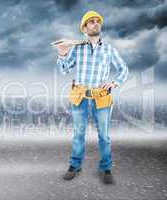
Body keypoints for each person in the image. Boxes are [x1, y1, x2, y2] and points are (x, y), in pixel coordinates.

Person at [55, 10, 129, 184]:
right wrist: (62, 54)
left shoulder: (109, 49)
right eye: (91, 21)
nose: (96, 23)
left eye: (98, 21)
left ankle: (106, 168)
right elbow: (64, 69)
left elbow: (124, 69)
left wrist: (115, 83)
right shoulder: (77, 48)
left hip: (101, 98)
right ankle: (75, 165)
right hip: (80, 97)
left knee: (104, 135)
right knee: (78, 133)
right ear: (85, 27)